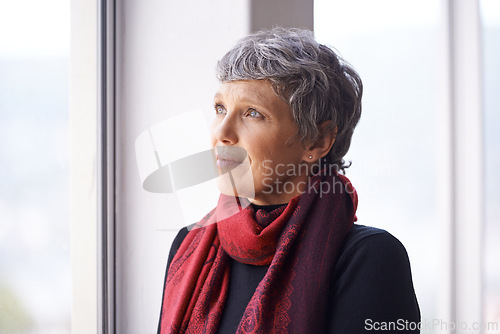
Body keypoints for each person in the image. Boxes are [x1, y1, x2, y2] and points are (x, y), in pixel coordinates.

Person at [157, 27, 420, 334]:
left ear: (317, 141)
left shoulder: (369, 260)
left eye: (253, 113)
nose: (222, 133)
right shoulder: (188, 245)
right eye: (220, 108)